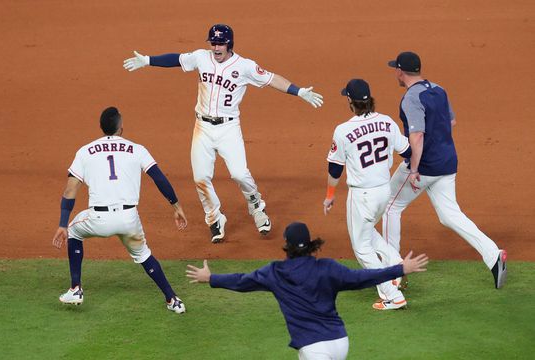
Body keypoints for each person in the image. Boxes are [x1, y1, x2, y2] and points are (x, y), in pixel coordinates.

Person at [123, 24, 323, 243]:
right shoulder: (201, 57)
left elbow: (271, 78)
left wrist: (299, 91)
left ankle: (256, 206)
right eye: (213, 43)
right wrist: (148, 60)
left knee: (239, 173)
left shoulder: (245, 66)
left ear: (230, 44)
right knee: (200, 178)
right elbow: (177, 59)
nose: (216, 47)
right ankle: (214, 218)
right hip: (202, 127)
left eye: (220, 43)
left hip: (228, 128)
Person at [186, 222, 429, 359]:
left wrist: (211, 278)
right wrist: (399, 268)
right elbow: (363, 278)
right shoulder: (328, 268)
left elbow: (241, 281)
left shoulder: (275, 273)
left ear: (287, 246)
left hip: (314, 347)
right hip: (339, 341)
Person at [380, 51, 507, 289]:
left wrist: (414, 168)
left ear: (400, 71)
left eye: (395, 69)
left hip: (424, 166)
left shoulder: (410, 99)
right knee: (450, 215)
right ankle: (493, 254)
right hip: (447, 163)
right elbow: (451, 122)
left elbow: (416, 136)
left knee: (390, 206)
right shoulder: (439, 89)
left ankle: (393, 272)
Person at [52, 107, 188, 313]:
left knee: (73, 231)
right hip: (129, 219)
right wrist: (175, 205)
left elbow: (71, 189)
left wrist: (62, 223)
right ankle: (173, 300)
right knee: (144, 254)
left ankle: (75, 288)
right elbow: (159, 178)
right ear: (121, 129)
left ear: (101, 128)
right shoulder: (137, 149)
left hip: (98, 219)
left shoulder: (85, 151)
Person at [323, 79, 412, 310]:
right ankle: (395, 262)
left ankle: (391, 294)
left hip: (362, 196)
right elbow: (408, 150)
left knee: (361, 247)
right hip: (385, 190)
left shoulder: (343, 130)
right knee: (367, 230)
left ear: (350, 101)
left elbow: (335, 169)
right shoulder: (387, 122)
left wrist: (330, 195)